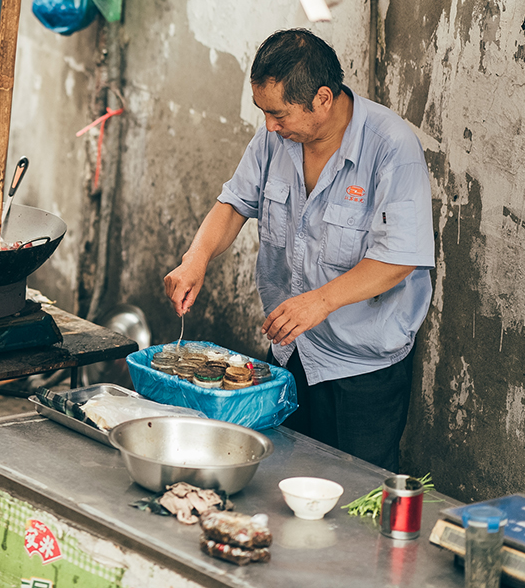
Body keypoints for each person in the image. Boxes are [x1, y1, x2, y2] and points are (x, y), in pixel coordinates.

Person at [163, 29, 434, 471]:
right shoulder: (276, 139)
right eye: (264, 113)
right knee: (279, 476)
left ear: (322, 99)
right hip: (291, 352)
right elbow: (234, 204)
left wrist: (320, 302)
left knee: (355, 490)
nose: (270, 126)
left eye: (278, 114)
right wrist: (196, 259)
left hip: (361, 368)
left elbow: (399, 259)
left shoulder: (391, 148)